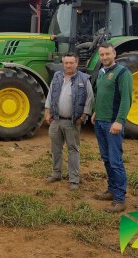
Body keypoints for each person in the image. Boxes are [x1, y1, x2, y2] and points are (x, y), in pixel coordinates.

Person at [91, 43, 133, 212]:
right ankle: (111, 190)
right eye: (102, 55)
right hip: (100, 121)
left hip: (112, 124)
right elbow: (100, 95)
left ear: (114, 54)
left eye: (108, 54)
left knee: (115, 161)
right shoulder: (102, 73)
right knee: (106, 158)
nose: (105, 57)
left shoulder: (123, 73)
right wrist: (95, 112)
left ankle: (119, 198)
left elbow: (126, 99)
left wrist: (119, 121)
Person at [44, 53, 94, 191]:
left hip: (72, 122)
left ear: (77, 63)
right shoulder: (57, 76)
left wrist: (83, 117)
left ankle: (74, 179)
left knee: (73, 150)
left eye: (71, 63)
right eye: (66, 63)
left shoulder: (83, 79)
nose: (68, 65)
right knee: (55, 149)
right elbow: (50, 94)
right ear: (63, 63)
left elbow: (89, 99)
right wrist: (47, 111)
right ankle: (56, 173)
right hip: (56, 120)